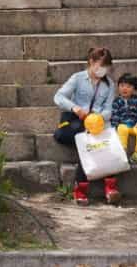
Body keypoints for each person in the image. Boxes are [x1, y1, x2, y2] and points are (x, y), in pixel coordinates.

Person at [54, 46, 119, 205]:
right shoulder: (77, 78)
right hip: (76, 121)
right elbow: (59, 97)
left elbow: (109, 109)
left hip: (97, 124)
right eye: (101, 66)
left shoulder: (109, 85)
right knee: (86, 140)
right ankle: (109, 186)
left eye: (106, 67)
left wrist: (98, 118)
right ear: (91, 62)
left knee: (91, 142)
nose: (103, 70)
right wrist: (75, 108)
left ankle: (82, 190)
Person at [111, 73, 137, 164]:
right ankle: (123, 149)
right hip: (123, 124)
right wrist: (114, 127)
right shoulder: (117, 101)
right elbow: (115, 114)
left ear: (134, 89)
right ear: (118, 87)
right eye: (122, 86)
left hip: (135, 125)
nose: (124, 88)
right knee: (121, 128)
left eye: (128, 86)